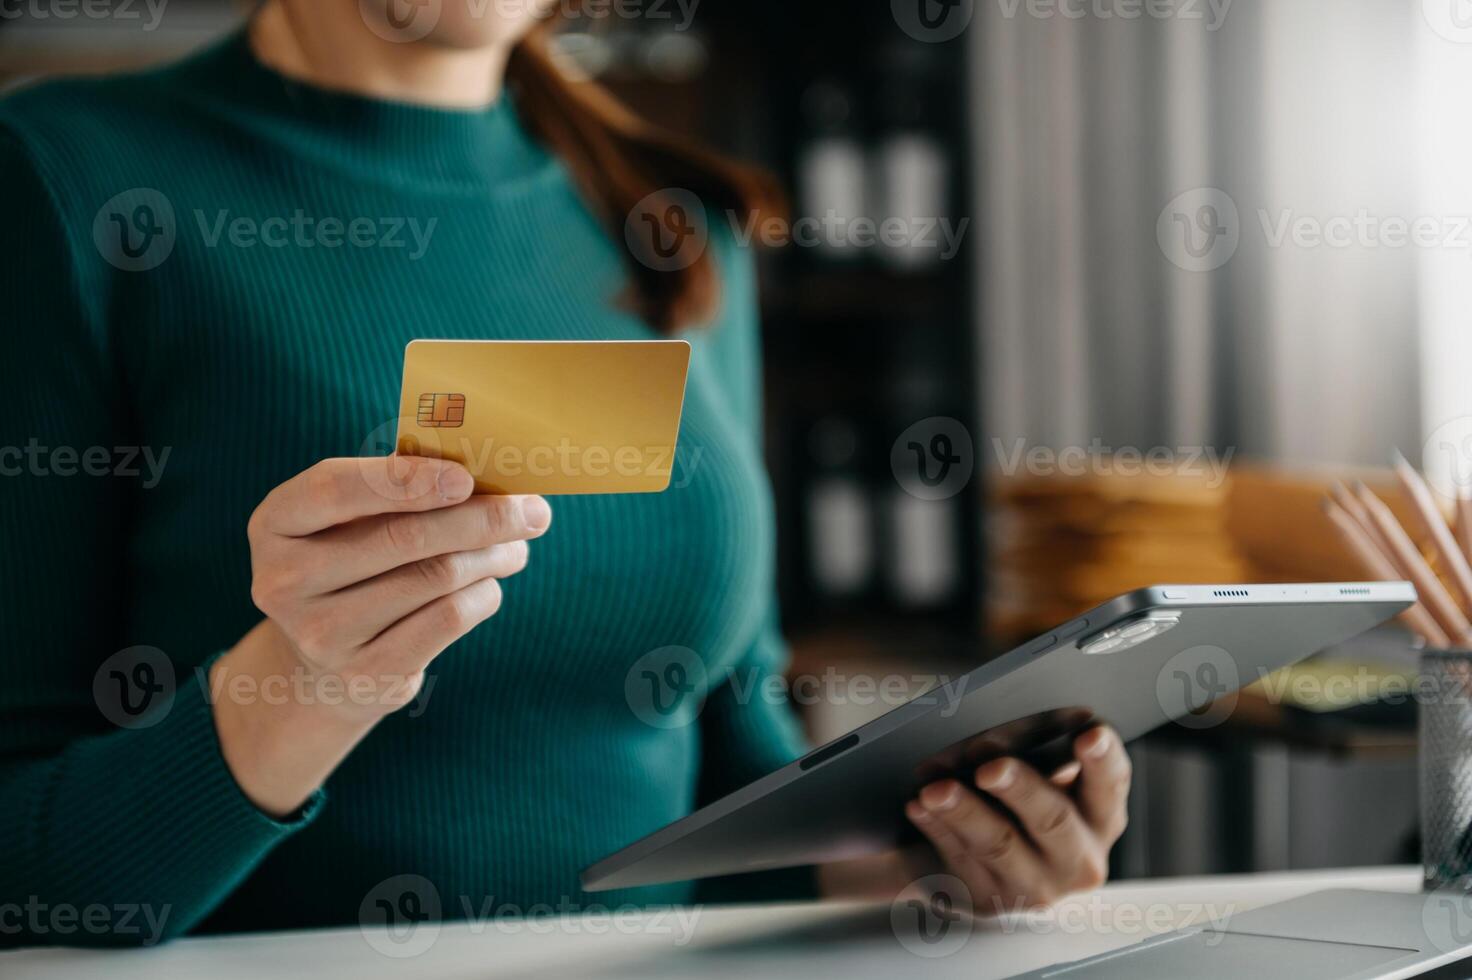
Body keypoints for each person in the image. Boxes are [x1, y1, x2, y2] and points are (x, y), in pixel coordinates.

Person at [0, 0, 1131, 945]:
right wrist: (303, 683)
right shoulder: (64, 181)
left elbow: (735, 781)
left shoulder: (670, 225)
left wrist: (936, 860)